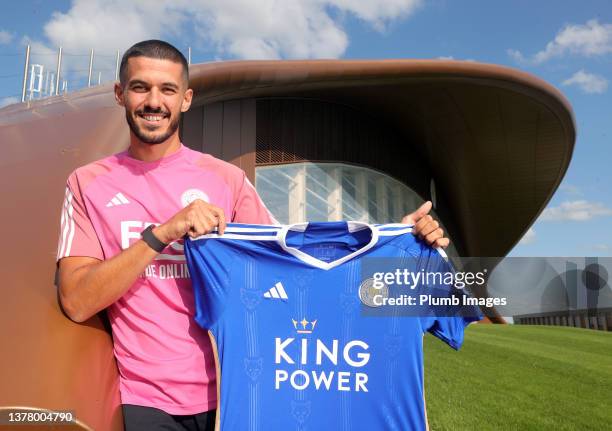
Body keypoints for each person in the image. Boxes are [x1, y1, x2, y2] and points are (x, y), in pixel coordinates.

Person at [56, 40, 449, 431]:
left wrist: (395, 243)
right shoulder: (89, 184)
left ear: (187, 99)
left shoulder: (226, 180)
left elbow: (295, 270)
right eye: (141, 87)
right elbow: (76, 300)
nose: (154, 101)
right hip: (148, 399)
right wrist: (161, 234)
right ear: (120, 94)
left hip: (242, 394)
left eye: (168, 89)